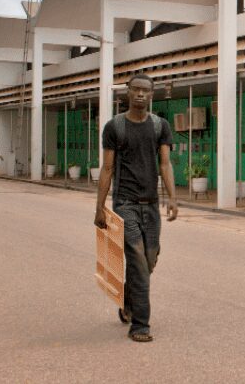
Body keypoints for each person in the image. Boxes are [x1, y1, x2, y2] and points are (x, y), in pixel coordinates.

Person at [94, 73, 178, 342]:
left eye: (146, 91)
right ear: (127, 93)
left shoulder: (159, 126)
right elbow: (107, 168)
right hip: (125, 204)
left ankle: (129, 302)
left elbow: (165, 164)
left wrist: (173, 198)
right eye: (136, 90)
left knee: (149, 260)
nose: (140, 94)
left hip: (151, 205)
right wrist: (100, 207)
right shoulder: (114, 127)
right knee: (139, 261)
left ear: (151, 95)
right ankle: (141, 325)